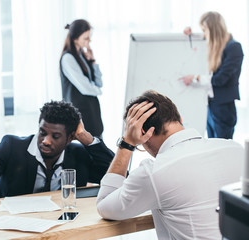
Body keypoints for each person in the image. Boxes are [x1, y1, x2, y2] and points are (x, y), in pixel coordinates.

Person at [96, 90, 243, 239]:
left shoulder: (154, 173)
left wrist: (127, 144)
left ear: (142, 133)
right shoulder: (236, 149)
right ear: (179, 118)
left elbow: (104, 206)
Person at [179, 11, 243, 139]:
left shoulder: (233, 47)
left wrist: (196, 78)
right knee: (212, 146)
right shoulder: (213, 47)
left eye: (205, 30)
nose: (203, 34)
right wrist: (189, 34)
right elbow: (197, 44)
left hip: (223, 107)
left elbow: (221, 79)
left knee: (223, 147)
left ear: (213, 30)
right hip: (210, 106)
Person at [60, 19, 104, 137]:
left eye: (89, 37)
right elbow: (86, 88)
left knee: (98, 147)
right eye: (86, 38)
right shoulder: (68, 58)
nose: (89, 41)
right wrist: (98, 92)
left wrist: (93, 61)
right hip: (80, 115)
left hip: (91, 113)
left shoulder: (83, 56)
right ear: (75, 39)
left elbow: (98, 83)